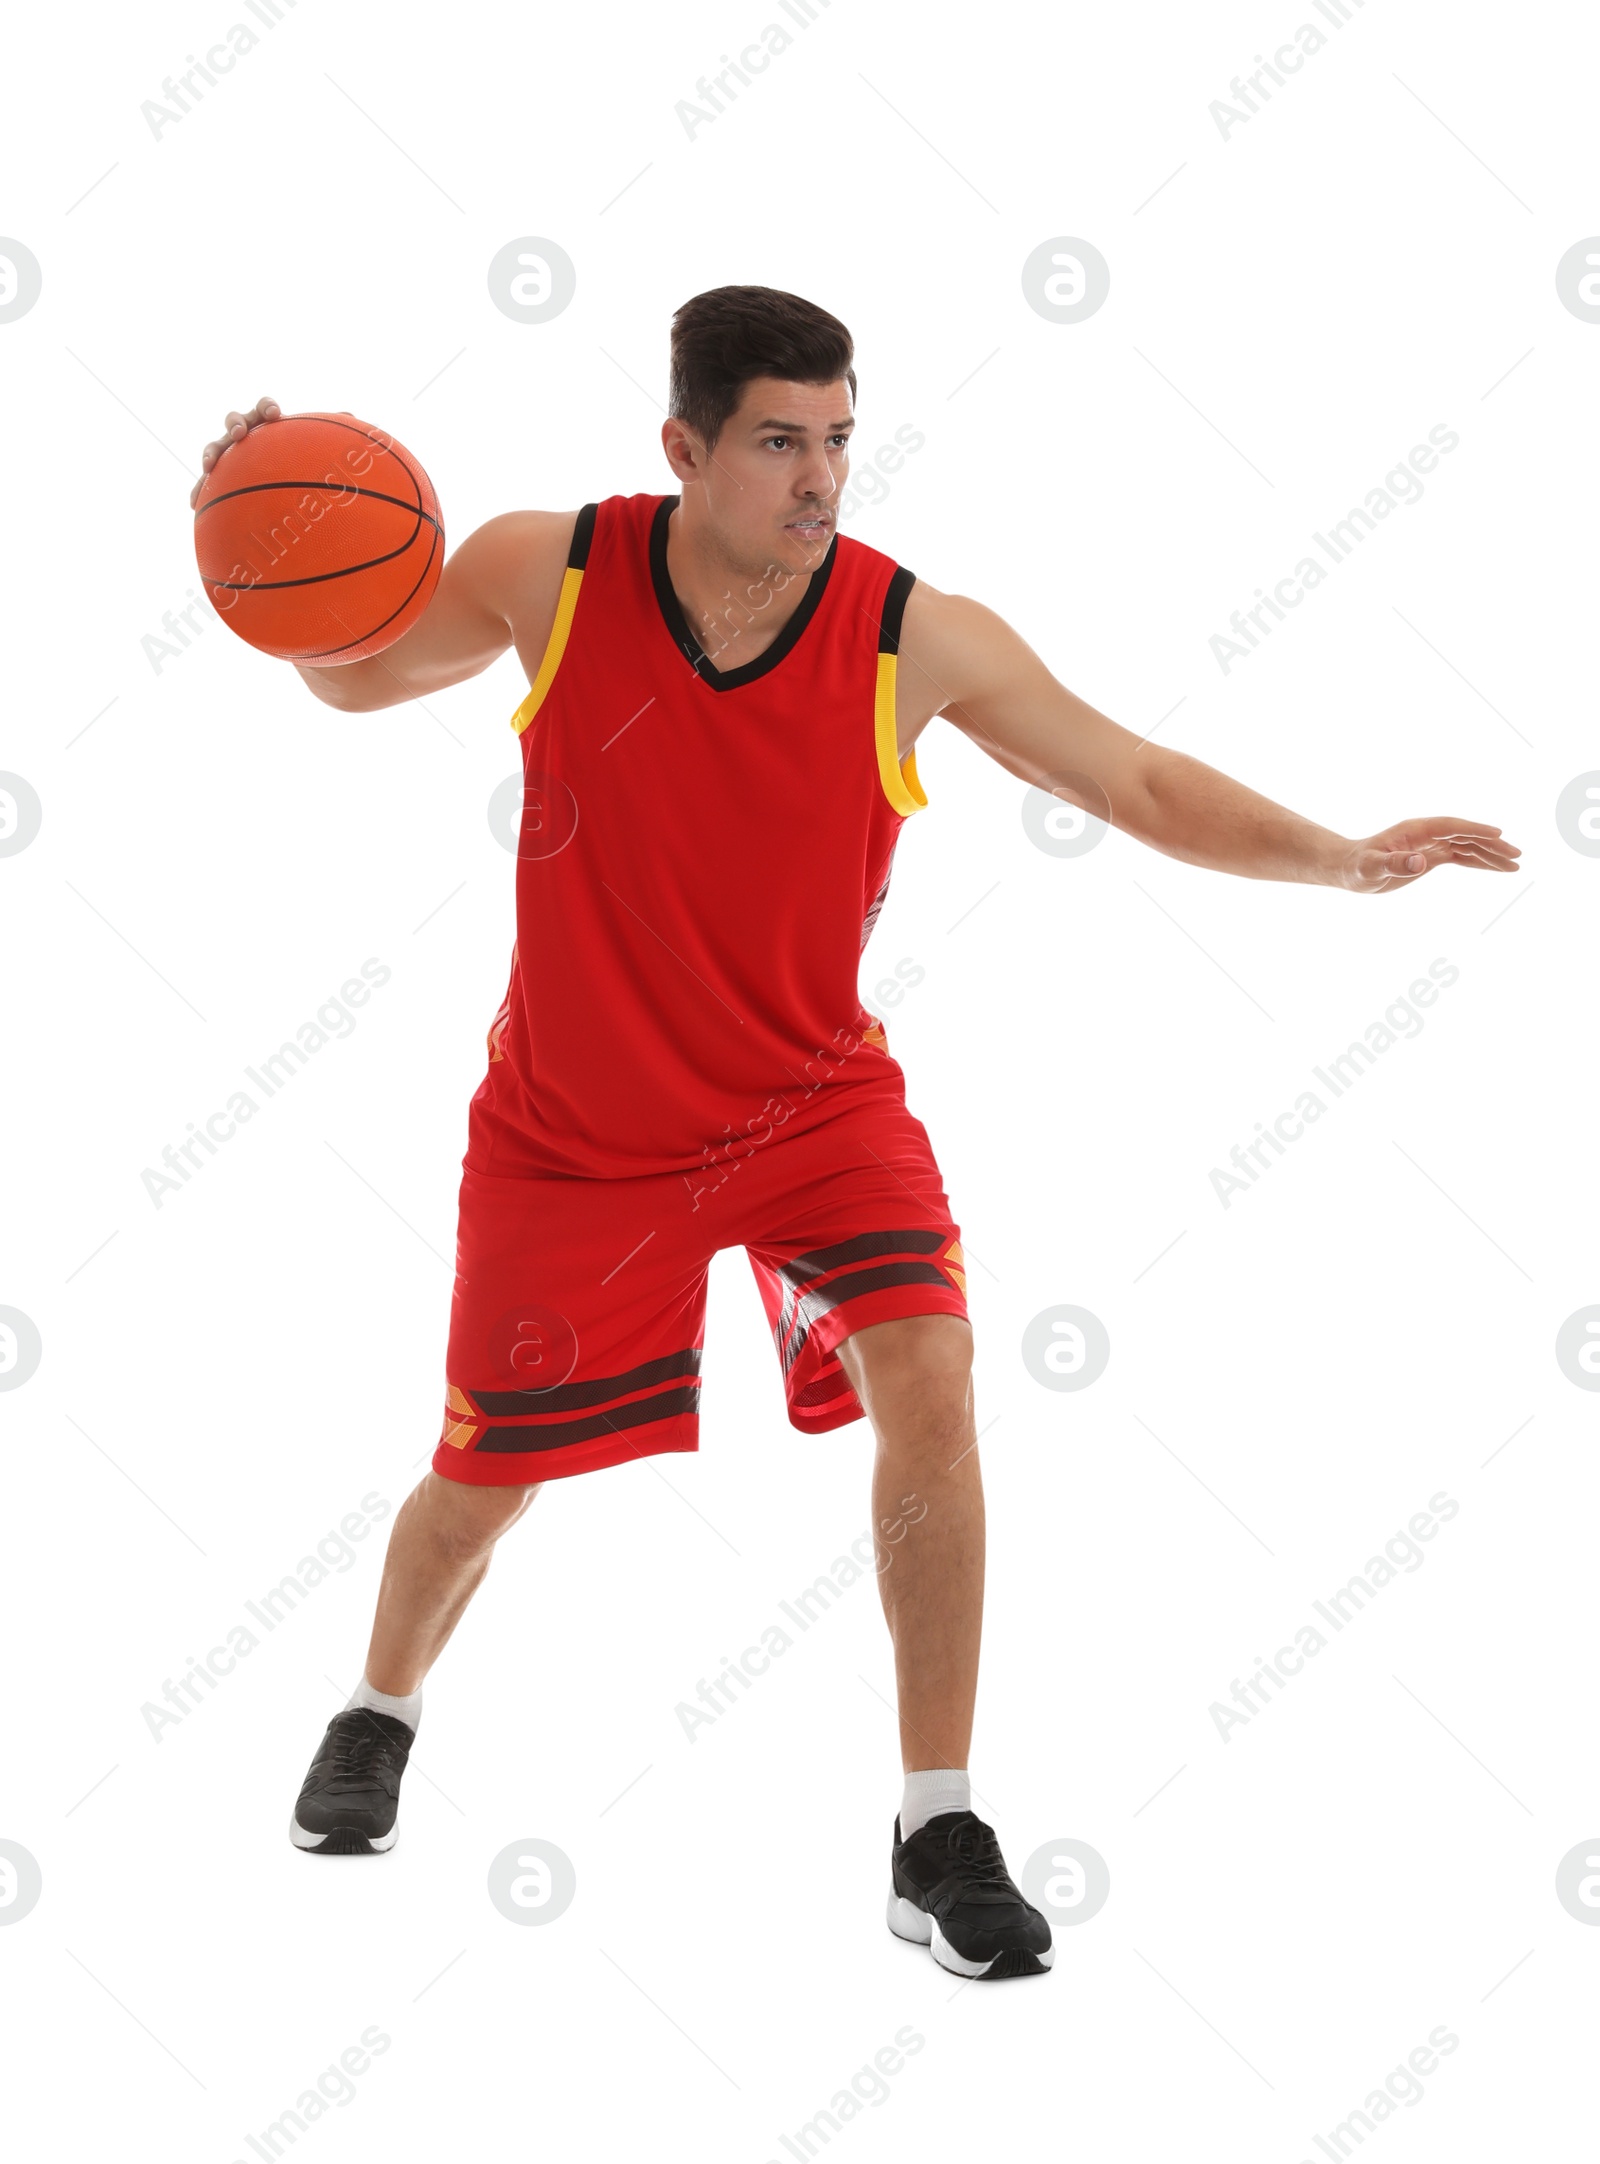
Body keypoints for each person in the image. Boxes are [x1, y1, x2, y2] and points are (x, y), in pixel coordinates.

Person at [191, 286, 1518, 1980]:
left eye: (836, 436)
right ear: (683, 448)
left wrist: (1344, 855)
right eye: (777, 442)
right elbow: (354, 676)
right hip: (574, 1134)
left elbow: (1140, 783)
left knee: (936, 1381)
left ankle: (938, 1824)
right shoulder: (551, 569)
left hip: (811, 1110)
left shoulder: (914, 634)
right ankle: (381, 1707)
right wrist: (280, 538)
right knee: (480, 1487)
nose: (819, 476)